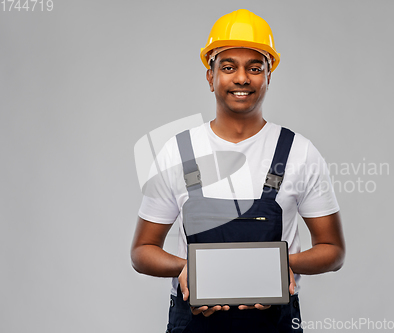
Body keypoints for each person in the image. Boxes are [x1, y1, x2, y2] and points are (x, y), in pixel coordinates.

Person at [131, 9, 345, 333]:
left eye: (255, 67)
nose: (242, 78)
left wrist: (280, 267)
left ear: (268, 76)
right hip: (194, 324)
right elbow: (141, 251)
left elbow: (334, 250)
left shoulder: (299, 152)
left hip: (275, 324)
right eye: (228, 67)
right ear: (210, 76)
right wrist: (186, 268)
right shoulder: (178, 152)